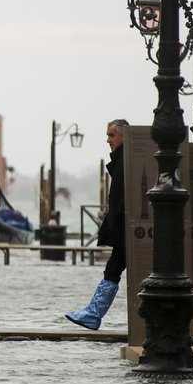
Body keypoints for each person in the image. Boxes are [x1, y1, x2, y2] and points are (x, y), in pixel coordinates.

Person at [65, 118, 129, 330]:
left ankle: (94, 314)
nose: (108, 140)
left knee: (114, 269)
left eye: (112, 135)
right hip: (125, 228)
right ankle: (93, 313)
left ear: (124, 136)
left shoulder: (126, 161)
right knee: (114, 269)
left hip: (127, 229)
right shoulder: (123, 160)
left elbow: (122, 199)